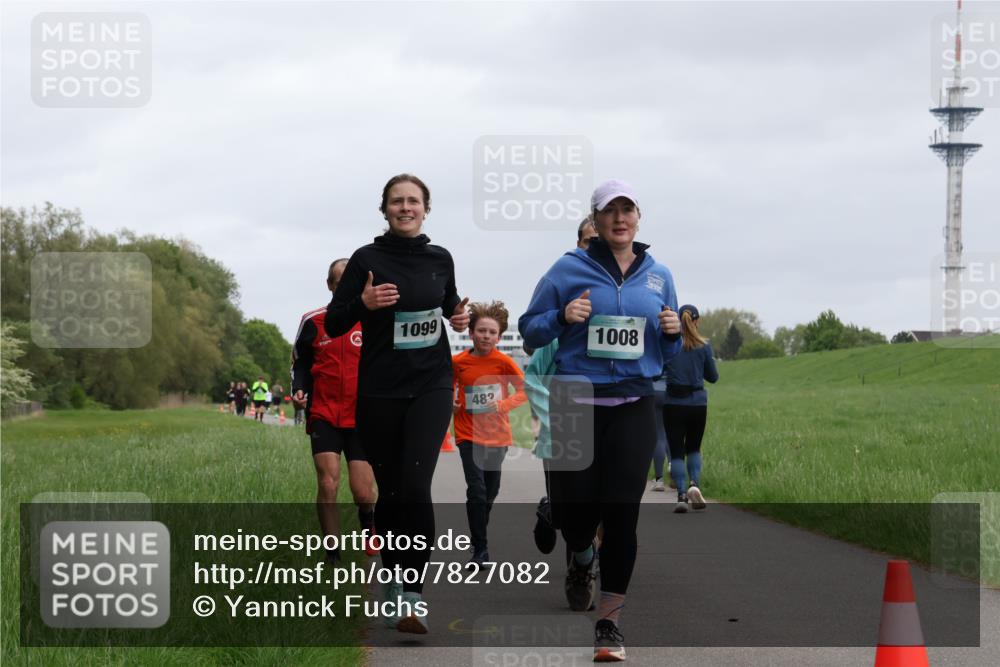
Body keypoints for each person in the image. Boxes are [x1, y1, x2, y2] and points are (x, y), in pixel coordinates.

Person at [519, 179, 681, 662]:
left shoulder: (659, 275)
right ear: (596, 219)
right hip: (574, 401)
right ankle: (579, 552)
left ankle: (608, 623)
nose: (620, 218)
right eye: (611, 211)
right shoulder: (567, 269)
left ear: (638, 218)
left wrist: (672, 333)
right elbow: (530, 331)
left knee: (622, 515)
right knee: (577, 518)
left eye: (628, 210)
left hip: (632, 403)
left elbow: (667, 347)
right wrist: (564, 317)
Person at [325, 173, 468, 635]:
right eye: (396, 201)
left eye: (413, 201)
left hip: (431, 382)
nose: (405, 208)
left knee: (414, 485)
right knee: (389, 494)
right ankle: (389, 578)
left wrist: (458, 315)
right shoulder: (367, 259)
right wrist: (363, 302)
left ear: (426, 208)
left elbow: (447, 306)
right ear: (384, 209)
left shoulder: (440, 258)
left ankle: (413, 595)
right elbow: (333, 322)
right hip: (380, 389)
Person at [292, 259, 378, 567]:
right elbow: (300, 362)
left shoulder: (374, 322)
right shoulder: (314, 321)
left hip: (363, 416)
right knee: (328, 482)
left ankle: (368, 524)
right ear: (330, 285)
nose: (344, 286)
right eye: (338, 281)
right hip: (324, 412)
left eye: (350, 280)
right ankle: (333, 554)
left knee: (363, 492)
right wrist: (299, 389)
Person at [527, 215, 598, 556]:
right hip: (562, 433)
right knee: (570, 508)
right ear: (578, 246)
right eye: (588, 240)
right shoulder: (558, 328)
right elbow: (533, 377)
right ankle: (551, 513)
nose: (596, 245)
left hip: (608, 423)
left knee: (604, 503)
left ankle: (590, 563)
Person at [451, 300, 527, 570]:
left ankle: (478, 531)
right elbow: (446, 387)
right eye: (481, 331)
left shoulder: (504, 362)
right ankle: (480, 550)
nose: (486, 336)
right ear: (471, 333)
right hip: (467, 433)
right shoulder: (458, 362)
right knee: (477, 490)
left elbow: (523, 391)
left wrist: (504, 405)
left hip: (497, 436)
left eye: (492, 333)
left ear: (499, 336)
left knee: (490, 491)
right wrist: (452, 401)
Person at [663, 304, 719, 513]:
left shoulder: (670, 346)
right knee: (694, 447)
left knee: (677, 452)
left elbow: (656, 371)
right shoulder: (704, 346)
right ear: (697, 320)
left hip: (673, 404)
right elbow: (713, 377)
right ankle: (694, 483)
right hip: (697, 404)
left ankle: (680, 495)